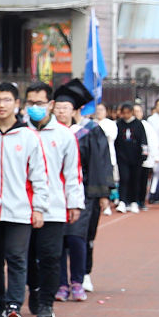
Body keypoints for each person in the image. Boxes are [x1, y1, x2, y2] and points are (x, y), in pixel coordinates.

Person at [0, 83, 50, 317]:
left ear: (17, 104)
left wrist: (39, 207)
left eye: (7, 100)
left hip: (19, 209)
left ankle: (13, 306)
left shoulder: (28, 136)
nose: (1, 105)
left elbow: (39, 175)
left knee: (17, 257)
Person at [25, 81, 83, 317]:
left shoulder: (64, 135)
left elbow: (72, 172)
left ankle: (47, 301)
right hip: (22, 207)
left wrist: (74, 203)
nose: (35, 107)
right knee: (25, 257)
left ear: (50, 104)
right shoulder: (20, 130)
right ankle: (34, 291)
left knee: (50, 255)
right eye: (30, 103)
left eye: (39, 103)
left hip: (54, 206)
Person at [54, 79, 110, 301]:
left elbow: (99, 162)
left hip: (83, 190)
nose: (61, 112)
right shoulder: (51, 132)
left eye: (65, 108)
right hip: (56, 191)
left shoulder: (90, 131)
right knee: (59, 239)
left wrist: (102, 193)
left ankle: (78, 278)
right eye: (57, 107)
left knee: (77, 236)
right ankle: (60, 284)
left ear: (75, 110)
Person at [113, 102, 148, 213]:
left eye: (128, 113)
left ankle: (133, 201)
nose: (126, 115)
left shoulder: (138, 124)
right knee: (124, 178)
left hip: (136, 157)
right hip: (123, 157)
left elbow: (143, 140)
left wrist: (144, 154)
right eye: (124, 113)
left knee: (135, 179)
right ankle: (123, 201)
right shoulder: (119, 124)